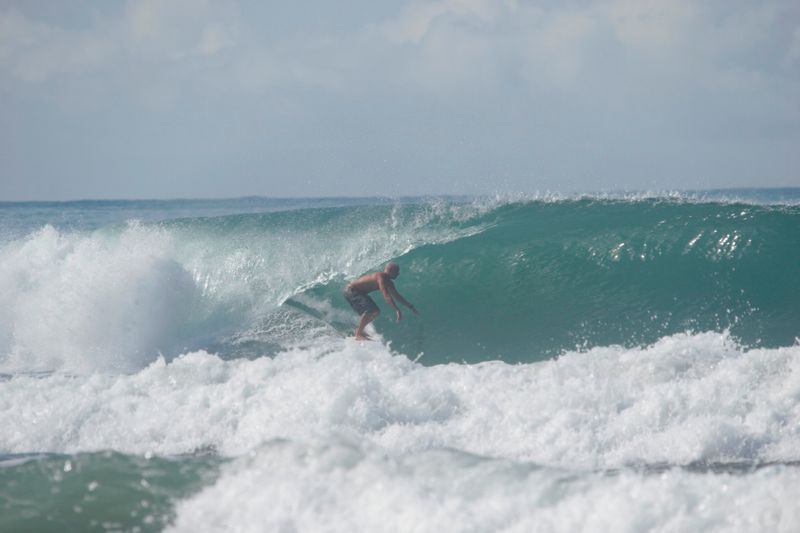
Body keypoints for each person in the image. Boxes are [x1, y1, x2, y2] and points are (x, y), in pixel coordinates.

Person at [343, 262, 419, 340]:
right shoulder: (381, 277)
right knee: (370, 310)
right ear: (390, 270)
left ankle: (358, 331)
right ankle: (358, 334)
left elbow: (397, 296)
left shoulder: (389, 282)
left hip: (359, 293)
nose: (398, 273)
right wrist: (396, 309)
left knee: (376, 312)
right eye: (396, 271)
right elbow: (386, 295)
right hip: (351, 290)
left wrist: (410, 306)